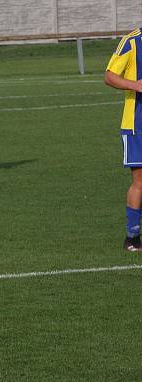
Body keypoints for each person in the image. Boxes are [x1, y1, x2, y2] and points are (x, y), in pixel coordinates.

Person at [106, 28, 142, 251]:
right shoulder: (132, 42)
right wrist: (135, 85)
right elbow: (109, 76)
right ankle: (132, 237)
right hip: (137, 125)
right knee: (140, 180)